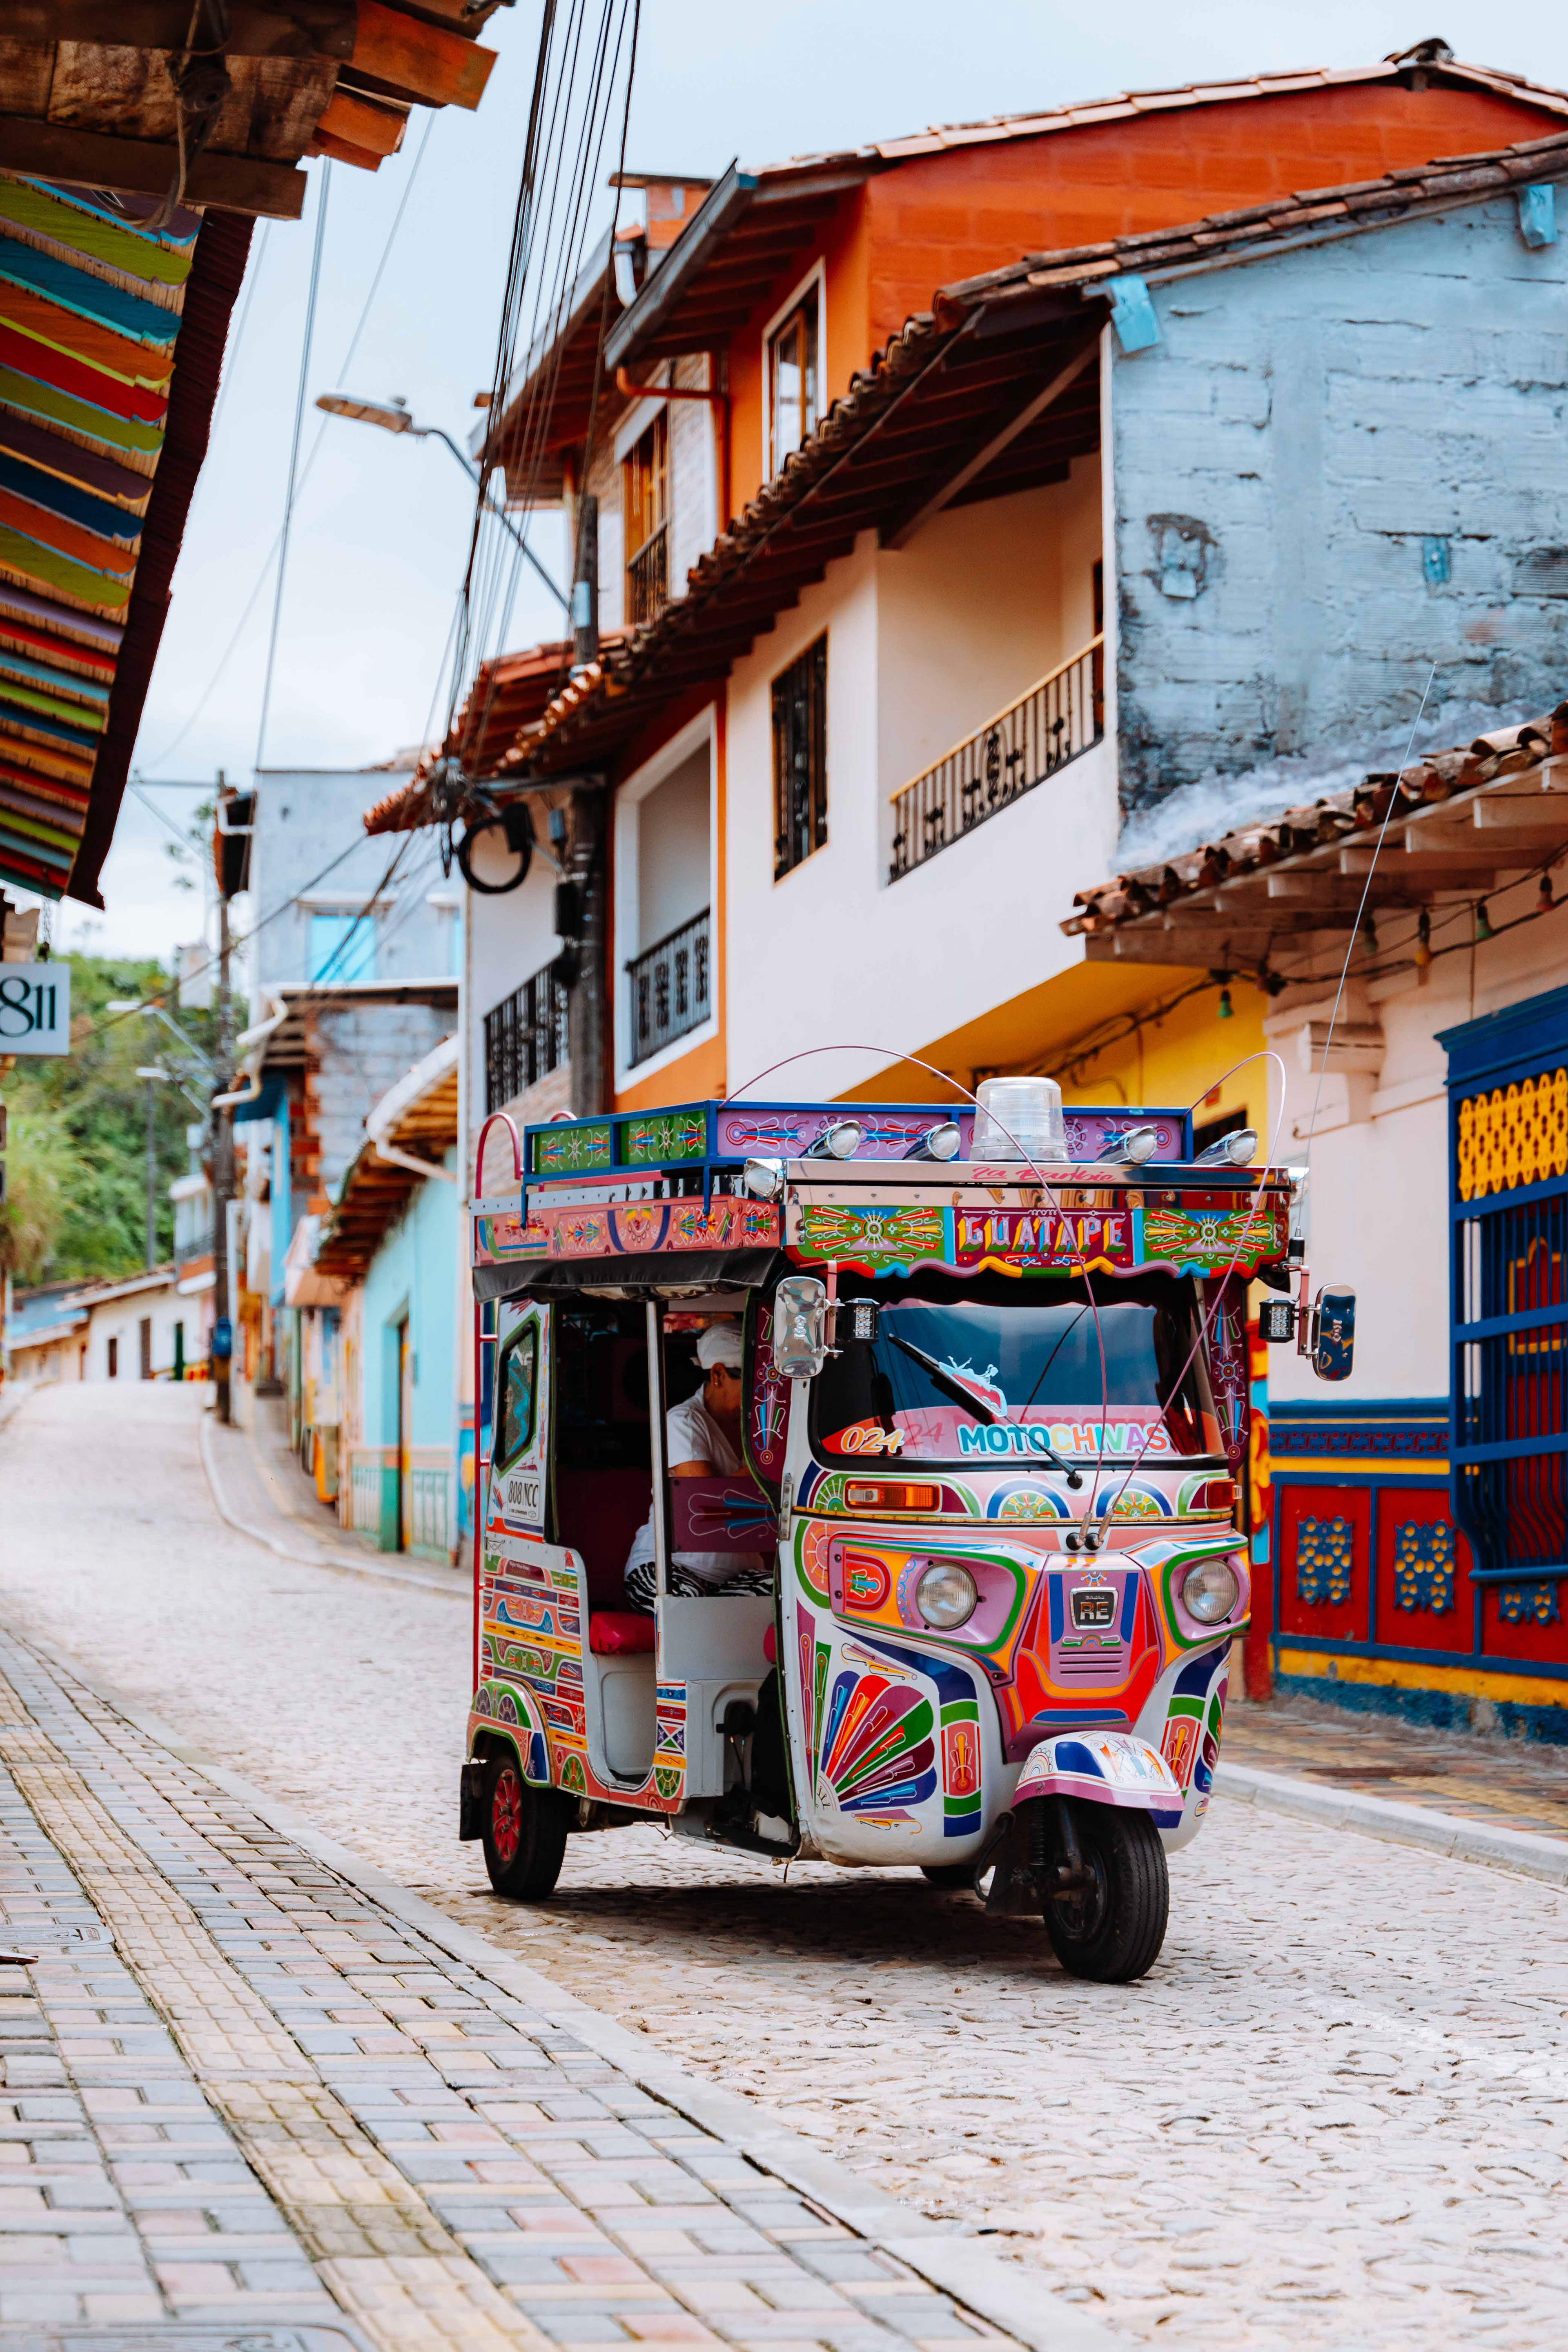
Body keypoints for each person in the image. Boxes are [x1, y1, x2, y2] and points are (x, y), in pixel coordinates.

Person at [623, 1320, 771, 1612]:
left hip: (734, 1578)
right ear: (718, 1375)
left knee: (790, 1597)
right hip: (668, 1569)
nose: (761, 1395)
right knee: (689, 1609)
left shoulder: (763, 1427)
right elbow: (706, 1508)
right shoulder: (684, 1422)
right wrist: (770, 1459)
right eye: (754, 1384)